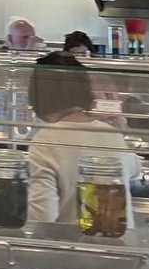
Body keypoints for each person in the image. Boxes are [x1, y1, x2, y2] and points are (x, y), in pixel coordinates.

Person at [26, 53, 139, 230]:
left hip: (75, 249)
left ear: (37, 97)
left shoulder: (45, 141)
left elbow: (42, 215)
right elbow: (134, 168)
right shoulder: (111, 133)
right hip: (119, 246)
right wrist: (120, 125)